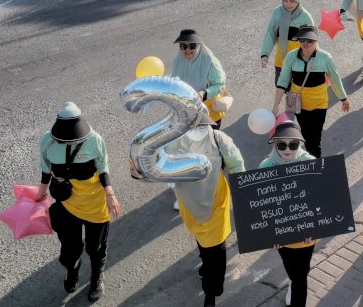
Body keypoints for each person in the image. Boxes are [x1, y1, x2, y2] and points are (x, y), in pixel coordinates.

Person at [134, 110, 245, 307]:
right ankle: (205, 262)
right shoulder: (174, 143)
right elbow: (157, 172)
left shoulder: (217, 139)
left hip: (215, 201)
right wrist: (139, 174)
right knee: (204, 240)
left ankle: (211, 292)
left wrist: (243, 193)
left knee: (217, 248)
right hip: (190, 201)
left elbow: (237, 166)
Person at [36, 103, 121, 302]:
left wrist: (110, 193)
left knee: (96, 247)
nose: (69, 142)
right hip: (67, 205)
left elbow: (103, 166)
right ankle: (72, 270)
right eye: (65, 139)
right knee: (69, 248)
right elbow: (46, 167)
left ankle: (96, 278)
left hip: (94, 204)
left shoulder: (95, 140)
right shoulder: (47, 142)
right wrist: (41, 191)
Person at [260, 121, 316, 307]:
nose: (287, 149)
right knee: (293, 270)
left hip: (307, 233)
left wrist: (316, 228)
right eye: (281, 144)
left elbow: (321, 200)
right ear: (275, 144)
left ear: (300, 144)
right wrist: (269, 235)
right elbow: (262, 206)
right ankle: (293, 281)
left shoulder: (310, 163)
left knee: (301, 275)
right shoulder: (266, 167)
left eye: (293, 144)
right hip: (282, 236)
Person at [273, 25, 350, 158]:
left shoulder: (325, 58)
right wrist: (275, 106)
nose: (305, 44)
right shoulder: (291, 56)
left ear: (316, 41)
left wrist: (343, 98)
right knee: (306, 136)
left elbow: (335, 80)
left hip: (318, 105)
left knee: (315, 139)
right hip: (298, 105)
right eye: (302, 40)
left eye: (310, 41)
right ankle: (311, 161)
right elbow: (283, 81)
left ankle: (315, 164)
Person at [171, 29, 227, 129]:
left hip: (208, 113)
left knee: (210, 142)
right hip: (187, 112)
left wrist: (204, 93)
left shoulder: (209, 62)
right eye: (183, 46)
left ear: (199, 46)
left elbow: (219, 85)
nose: (187, 50)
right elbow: (174, 79)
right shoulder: (178, 60)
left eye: (192, 46)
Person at [261, 0, 314, 84]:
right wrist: (265, 54)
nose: (288, 4)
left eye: (292, 1)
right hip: (281, 61)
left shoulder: (305, 17)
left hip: (299, 62)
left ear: (298, 1)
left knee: (295, 93)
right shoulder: (277, 12)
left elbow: (312, 41)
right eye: (285, 0)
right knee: (281, 88)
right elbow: (271, 34)